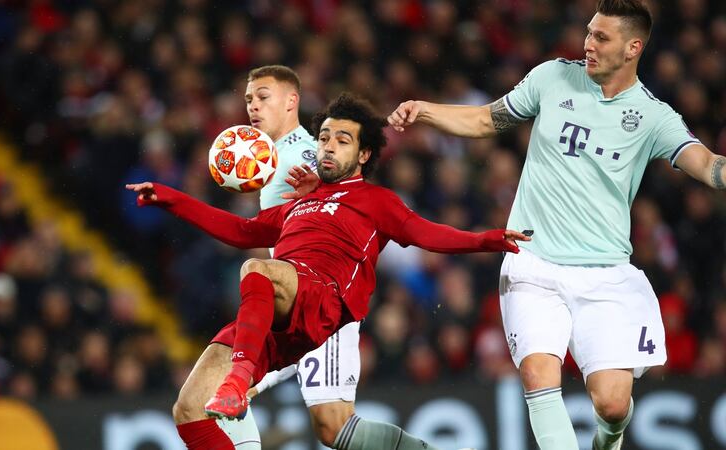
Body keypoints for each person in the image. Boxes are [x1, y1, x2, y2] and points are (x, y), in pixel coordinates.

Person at [387, 1, 726, 449]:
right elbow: (488, 118)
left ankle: (608, 438)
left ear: (633, 48)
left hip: (605, 272)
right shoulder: (552, 78)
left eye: (601, 37)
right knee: (537, 372)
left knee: (612, 405)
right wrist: (424, 111)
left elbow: (707, 164)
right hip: (533, 260)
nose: (588, 44)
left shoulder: (652, 115)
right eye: (588, 33)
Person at [126, 92, 529, 450]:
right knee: (189, 409)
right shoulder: (298, 203)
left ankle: (238, 380)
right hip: (272, 316)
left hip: (322, 299)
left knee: (258, 270)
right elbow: (241, 231)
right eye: (323, 138)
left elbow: (430, 234)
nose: (329, 146)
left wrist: (487, 239)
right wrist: (170, 198)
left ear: (364, 154)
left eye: (342, 140)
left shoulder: (376, 201)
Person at [219, 65, 444, 450]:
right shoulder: (271, 156)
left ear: (291, 101)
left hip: (321, 299)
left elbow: (351, 194)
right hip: (287, 298)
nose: (253, 106)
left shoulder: (305, 154)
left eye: (263, 97)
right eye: (249, 99)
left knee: (334, 427)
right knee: (314, 424)